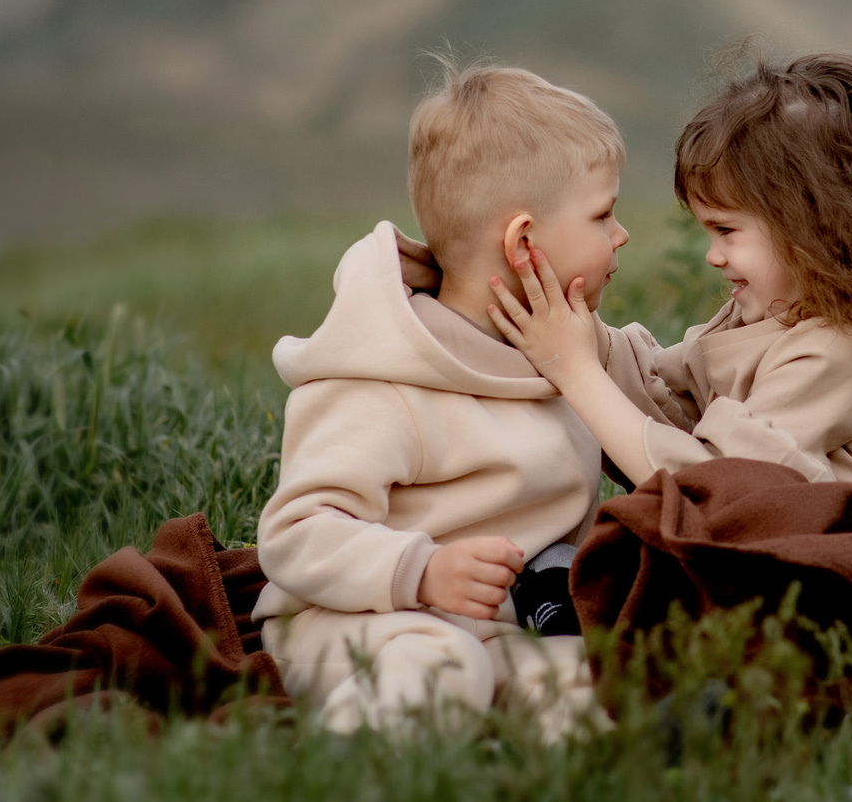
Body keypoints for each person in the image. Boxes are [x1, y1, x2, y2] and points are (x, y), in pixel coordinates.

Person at [251, 64, 665, 736]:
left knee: (580, 685)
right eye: (602, 214)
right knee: (442, 666)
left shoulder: (562, 352)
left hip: (501, 626)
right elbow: (296, 533)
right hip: (356, 620)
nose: (619, 234)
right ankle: (347, 771)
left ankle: (585, 780)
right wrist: (421, 570)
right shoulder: (386, 373)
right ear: (523, 241)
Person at [490, 54, 852, 519]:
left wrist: (575, 370)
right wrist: (574, 333)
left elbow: (717, 490)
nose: (714, 255)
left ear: (814, 228)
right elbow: (667, 400)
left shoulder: (842, 352)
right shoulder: (768, 314)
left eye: (726, 230)